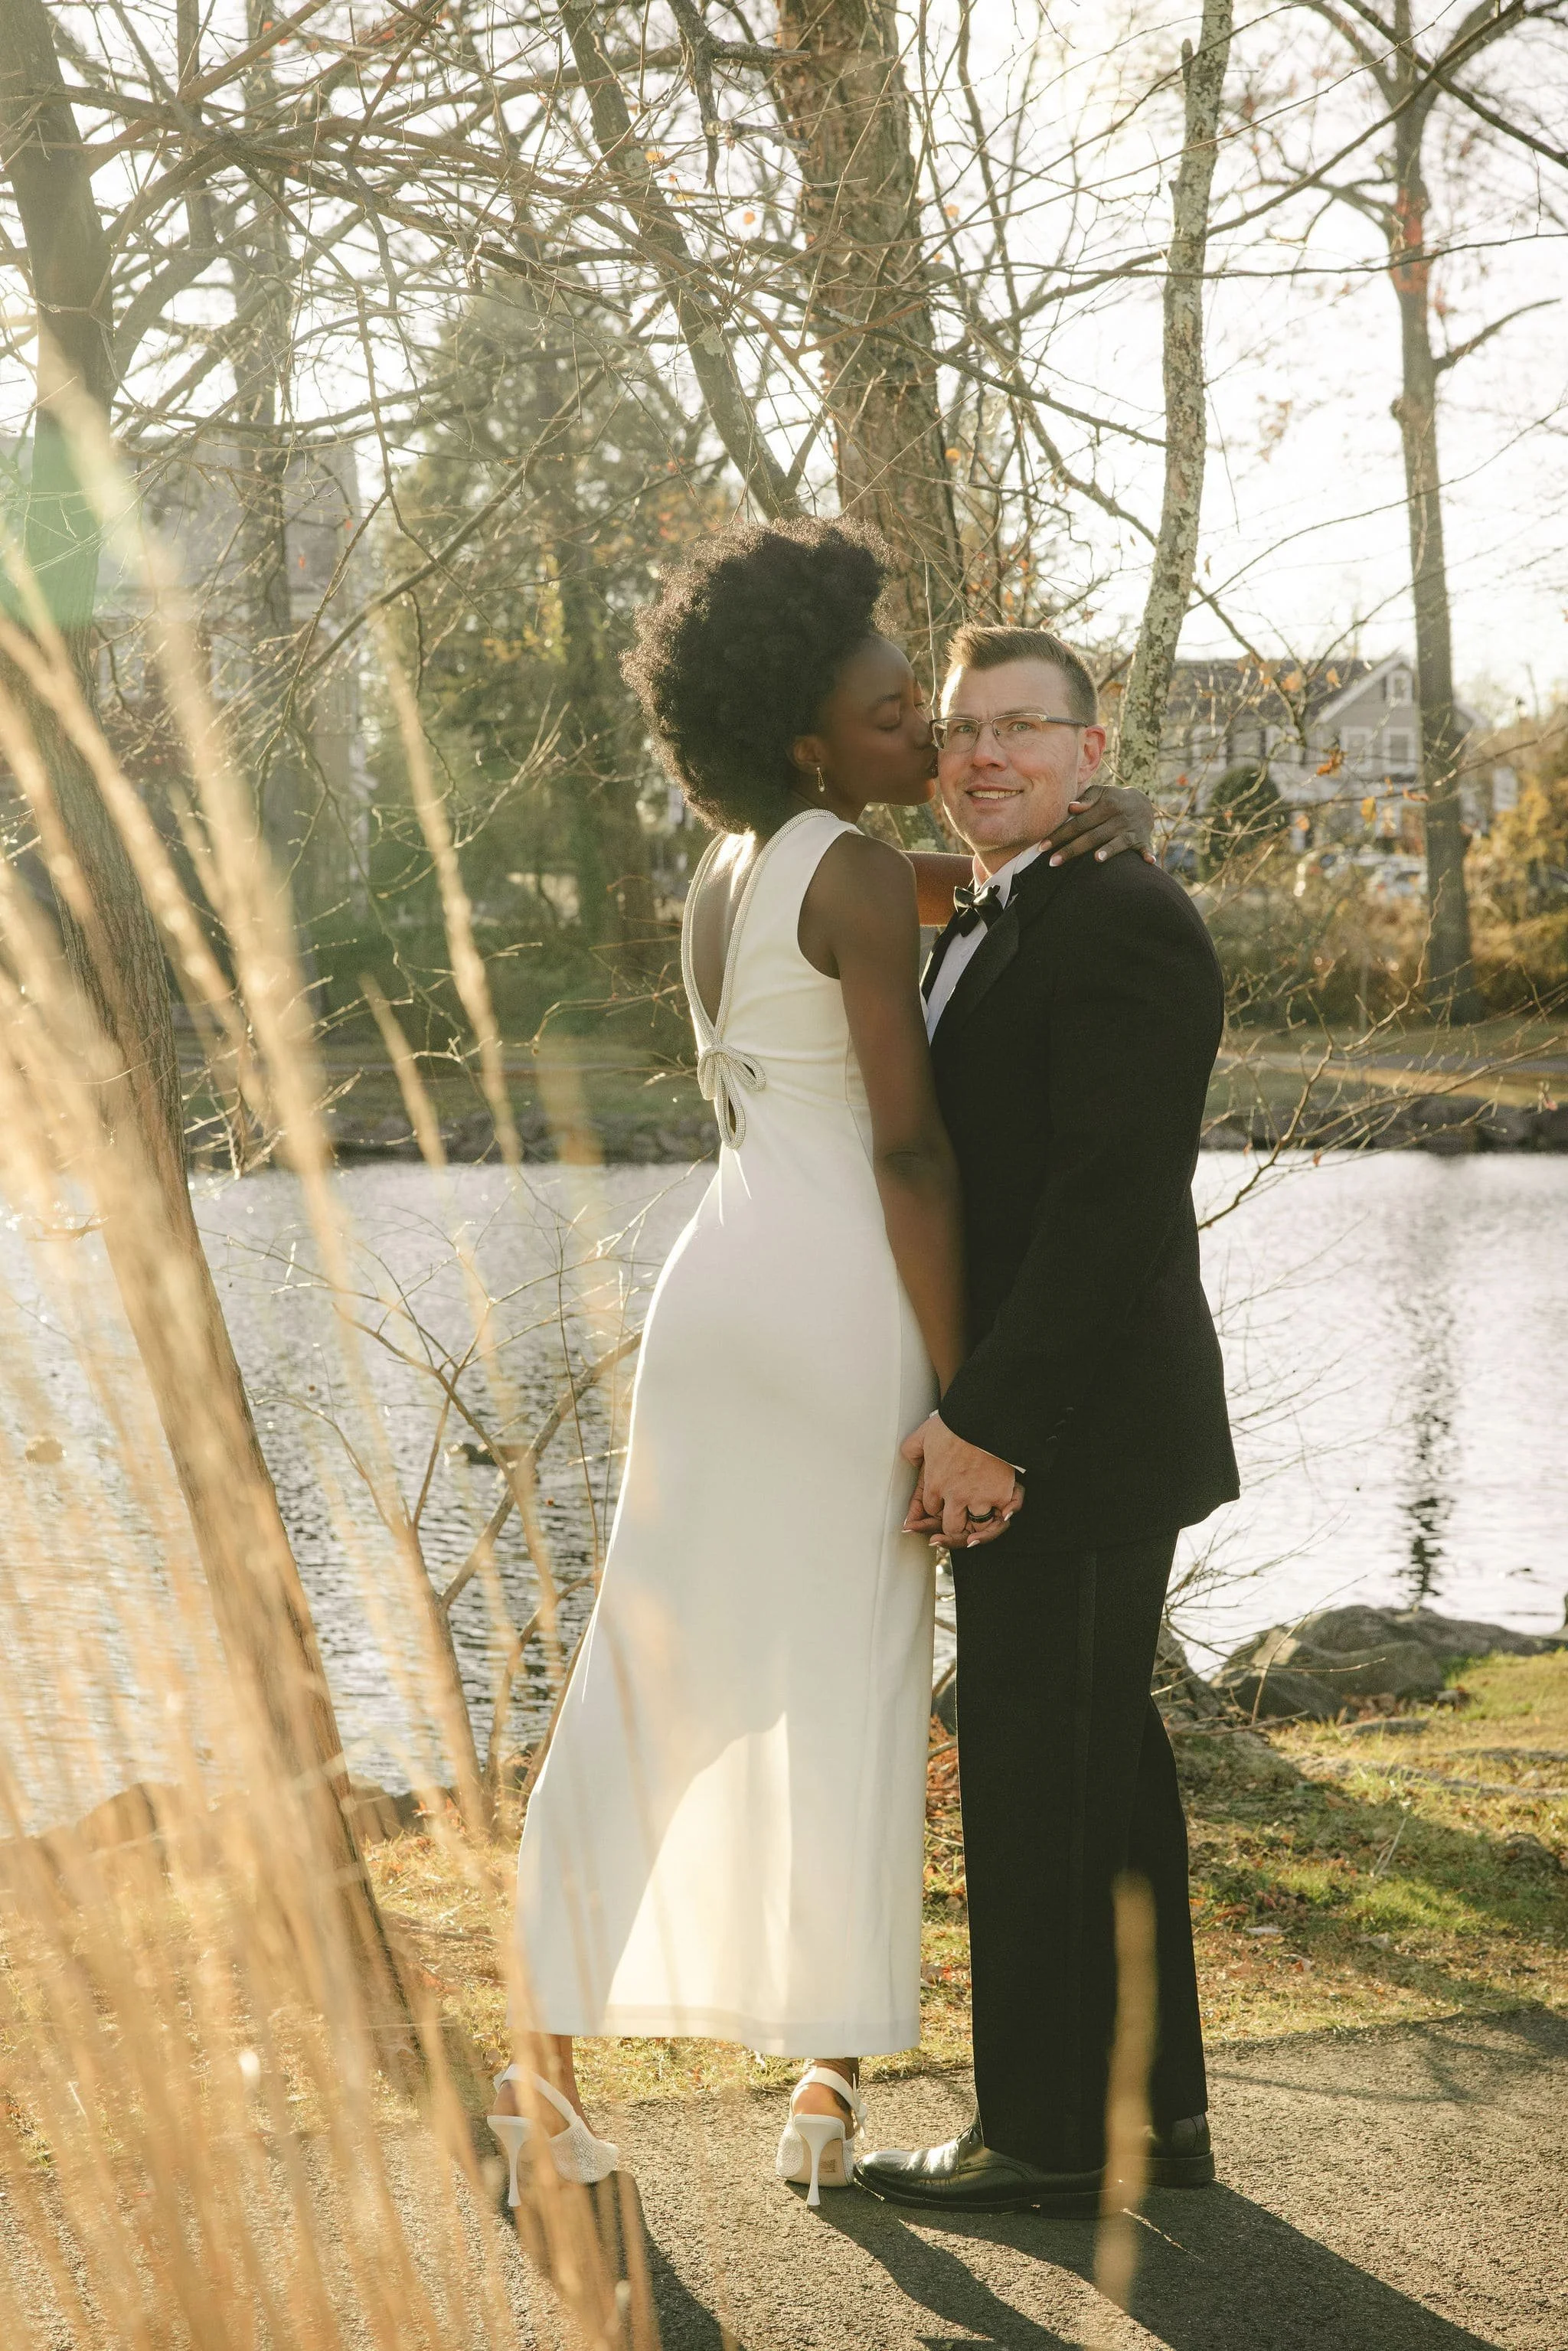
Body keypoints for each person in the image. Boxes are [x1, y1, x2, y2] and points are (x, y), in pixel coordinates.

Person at [490, 527, 1155, 2206]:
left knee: (652, 1674)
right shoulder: (852, 871)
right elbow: (913, 1155)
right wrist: (961, 1391)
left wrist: (1095, 826)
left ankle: (539, 2072)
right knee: (852, 1675)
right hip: (837, 1298)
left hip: (716, 1295)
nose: (929, 746)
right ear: (804, 731)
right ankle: (820, 2082)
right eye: (891, 711)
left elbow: (975, 889)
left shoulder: (740, 867)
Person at [856, 625, 1239, 2215]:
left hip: (1073, 1429)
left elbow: (1108, 1203)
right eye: (959, 731)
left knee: (1030, 1765)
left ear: (1090, 750)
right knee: (1101, 1766)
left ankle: (1044, 2135)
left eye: (1022, 727)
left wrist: (990, 1423)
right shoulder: (1018, 903)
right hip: (1068, 1420)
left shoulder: (1124, 918)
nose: (981, 755)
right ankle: (1152, 2116)